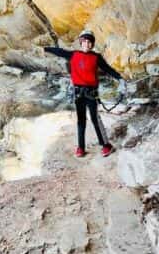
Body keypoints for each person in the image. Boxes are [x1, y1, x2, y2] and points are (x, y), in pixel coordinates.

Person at [44, 30, 122, 158]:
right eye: (84, 41)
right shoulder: (73, 55)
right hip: (78, 92)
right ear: (81, 43)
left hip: (91, 92)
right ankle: (81, 148)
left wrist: (120, 78)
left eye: (89, 42)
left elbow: (108, 69)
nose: (87, 44)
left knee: (95, 119)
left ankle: (106, 145)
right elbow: (59, 51)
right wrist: (45, 48)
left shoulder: (96, 57)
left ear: (92, 44)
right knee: (81, 120)